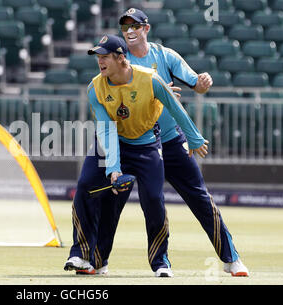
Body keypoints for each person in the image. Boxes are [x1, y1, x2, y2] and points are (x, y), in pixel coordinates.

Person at [90, 8, 249, 277]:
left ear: (146, 29)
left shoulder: (165, 56)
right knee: (113, 201)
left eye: (135, 26)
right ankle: (98, 261)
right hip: (132, 141)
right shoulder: (118, 59)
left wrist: (202, 83)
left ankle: (231, 259)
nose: (129, 31)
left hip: (171, 140)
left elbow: (194, 84)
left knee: (199, 197)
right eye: (125, 26)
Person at [64, 34, 209, 277]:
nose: (100, 62)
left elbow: (176, 108)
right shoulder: (95, 87)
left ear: (120, 58)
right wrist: (114, 168)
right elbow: (107, 129)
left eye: (105, 57)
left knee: (153, 199)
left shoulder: (150, 79)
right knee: (85, 186)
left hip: (145, 144)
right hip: (112, 142)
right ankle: (80, 253)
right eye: (98, 57)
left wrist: (194, 138)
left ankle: (160, 262)